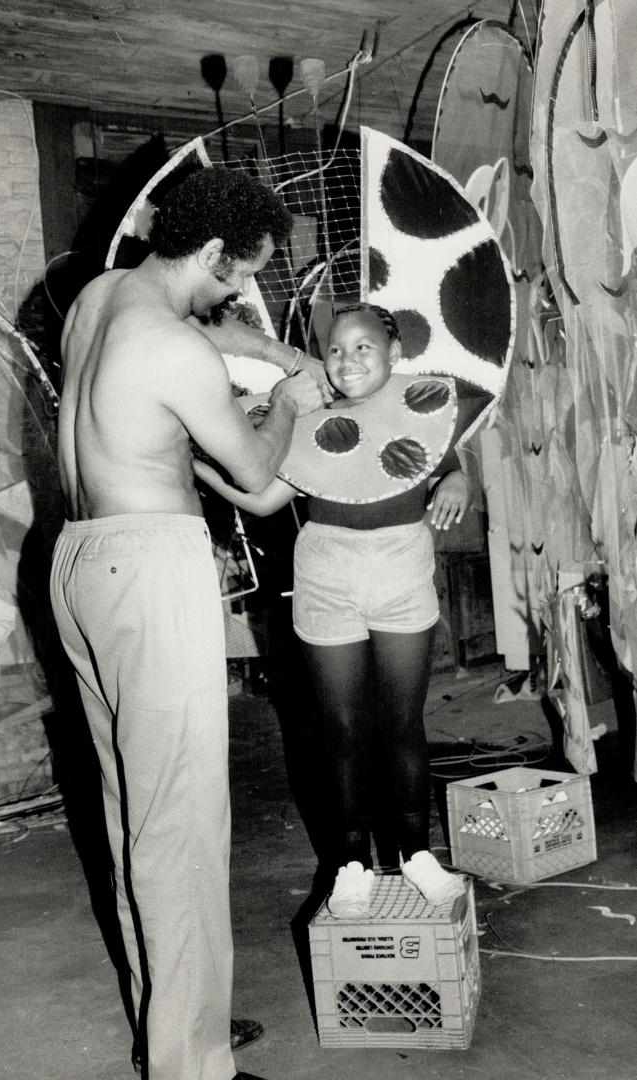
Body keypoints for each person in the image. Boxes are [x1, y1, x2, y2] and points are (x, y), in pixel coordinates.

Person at [49, 165, 327, 1080]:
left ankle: (169, 1023)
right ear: (209, 250)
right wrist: (290, 403)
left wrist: (280, 357)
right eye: (237, 272)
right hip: (151, 567)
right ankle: (193, 1067)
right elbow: (257, 480)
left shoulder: (102, 297)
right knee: (182, 826)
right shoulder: (177, 351)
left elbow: (209, 331)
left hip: (80, 560)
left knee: (134, 810)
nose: (240, 291)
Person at [194, 303, 469, 919]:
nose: (347, 361)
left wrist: (457, 481)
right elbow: (265, 499)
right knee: (341, 728)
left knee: (401, 724)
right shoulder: (310, 416)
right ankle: (350, 864)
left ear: (394, 353)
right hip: (326, 575)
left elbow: (445, 456)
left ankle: (416, 853)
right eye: (336, 350)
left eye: (363, 347)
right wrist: (196, 467)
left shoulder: (423, 401)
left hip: (402, 572)